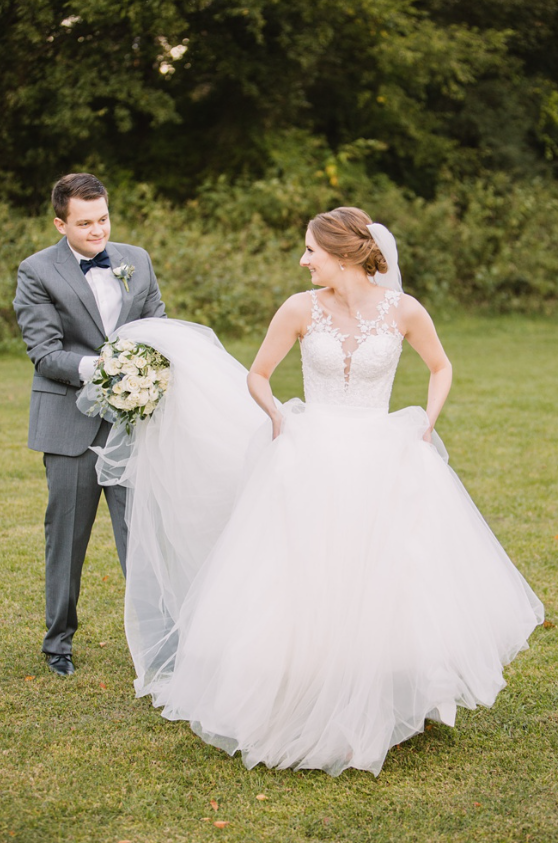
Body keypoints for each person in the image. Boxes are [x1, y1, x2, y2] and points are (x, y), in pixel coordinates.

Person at [91, 207, 543, 776]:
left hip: (383, 449)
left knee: (386, 573)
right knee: (307, 574)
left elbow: (441, 366)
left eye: (311, 250)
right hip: (311, 449)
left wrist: (427, 421)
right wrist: (278, 415)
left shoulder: (404, 310)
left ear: (345, 252)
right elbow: (257, 374)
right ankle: (305, 696)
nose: (303, 259)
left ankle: (385, 695)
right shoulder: (299, 309)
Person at [13, 173, 166, 677]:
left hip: (131, 421)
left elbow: (156, 324)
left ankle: (157, 645)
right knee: (67, 538)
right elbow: (44, 353)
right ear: (60, 223)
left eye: (102, 219)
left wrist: (145, 373)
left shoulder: (136, 259)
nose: (98, 231)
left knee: (140, 534)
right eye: (84, 223)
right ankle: (58, 642)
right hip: (68, 424)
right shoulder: (36, 270)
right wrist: (109, 370)